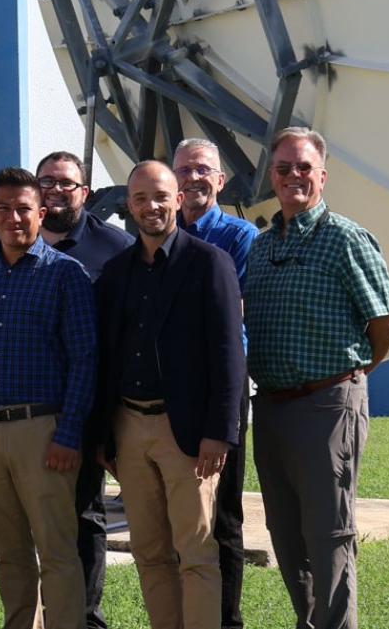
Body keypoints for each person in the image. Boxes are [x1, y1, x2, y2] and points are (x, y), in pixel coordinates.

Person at [245, 128, 389, 629]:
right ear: (272, 176)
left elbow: (387, 322)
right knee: (286, 534)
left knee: (328, 534)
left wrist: (354, 374)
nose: (293, 176)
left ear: (322, 175)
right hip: (271, 408)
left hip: (326, 405)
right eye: (283, 168)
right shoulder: (262, 246)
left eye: (303, 168)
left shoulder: (345, 238)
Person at [94, 161, 244, 629]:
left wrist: (219, 433)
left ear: (178, 198)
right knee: (150, 552)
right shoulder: (116, 272)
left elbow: (227, 355)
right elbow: (105, 356)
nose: (150, 206)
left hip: (188, 434)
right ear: (129, 206)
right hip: (129, 428)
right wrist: (104, 436)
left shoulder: (209, 263)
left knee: (196, 552)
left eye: (160, 196)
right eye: (140, 199)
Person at [0, 167, 95, 629]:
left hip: (44, 432)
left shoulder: (67, 275)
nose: (14, 217)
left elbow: (85, 361)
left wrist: (68, 435)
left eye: (24, 209)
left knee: (56, 550)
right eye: (4, 209)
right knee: (8, 552)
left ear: (41, 212)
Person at [36, 149, 136, 629]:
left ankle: (86, 617)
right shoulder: (14, 239)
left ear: (86, 193)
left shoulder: (115, 248)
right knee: (35, 520)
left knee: (83, 515)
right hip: (25, 408)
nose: (55, 190)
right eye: (47, 182)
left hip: (87, 409)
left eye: (66, 183)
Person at [172, 138, 257, 629]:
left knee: (222, 518)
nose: (193, 178)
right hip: (167, 396)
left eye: (203, 169)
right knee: (178, 519)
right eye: (184, 169)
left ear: (220, 180)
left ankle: (227, 621)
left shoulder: (240, 238)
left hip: (221, 393)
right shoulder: (154, 235)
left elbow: (238, 317)